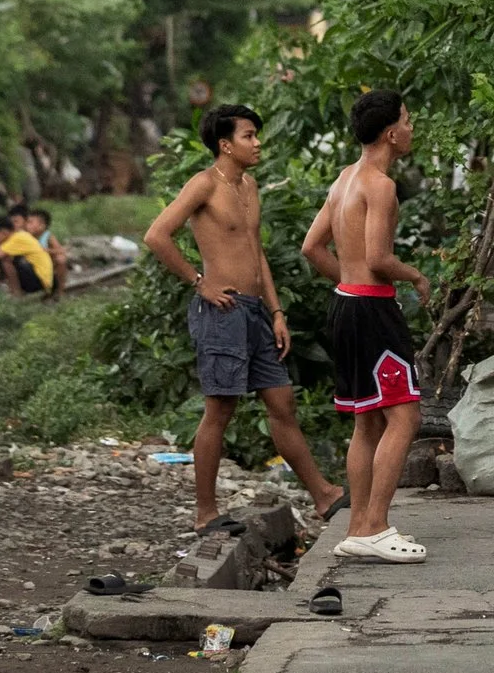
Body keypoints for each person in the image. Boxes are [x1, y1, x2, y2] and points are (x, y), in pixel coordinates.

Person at [143, 103, 347, 534]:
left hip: (255, 312)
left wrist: (275, 311)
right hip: (222, 310)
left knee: (282, 402)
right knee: (220, 407)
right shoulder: (203, 186)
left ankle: (325, 496)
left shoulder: (249, 186)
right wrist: (200, 282)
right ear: (225, 144)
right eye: (248, 136)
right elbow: (157, 235)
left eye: (256, 135)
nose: (257, 144)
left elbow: (257, 253)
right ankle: (205, 513)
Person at [302, 89, 432, 564]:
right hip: (373, 312)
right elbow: (379, 258)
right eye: (408, 120)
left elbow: (312, 247)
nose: (412, 128)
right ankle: (375, 526)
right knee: (405, 416)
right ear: (391, 133)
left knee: (367, 418)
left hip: (344, 307)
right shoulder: (380, 186)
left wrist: (349, 283)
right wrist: (415, 275)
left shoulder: (343, 180)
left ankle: (358, 526)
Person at [0, 216, 54, 296]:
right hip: (44, 282)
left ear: (3, 232)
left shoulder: (17, 238)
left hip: (40, 282)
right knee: (9, 258)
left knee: (5, 259)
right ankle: (16, 290)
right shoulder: (19, 235)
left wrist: (0, 245)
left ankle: (16, 293)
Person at [29, 207, 69, 289]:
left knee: (61, 259)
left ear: (42, 225)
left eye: (31, 222)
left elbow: (60, 250)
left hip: (48, 264)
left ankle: (60, 290)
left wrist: (46, 251)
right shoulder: (26, 236)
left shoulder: (48, 236)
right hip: (34, 266)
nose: (28, 225)